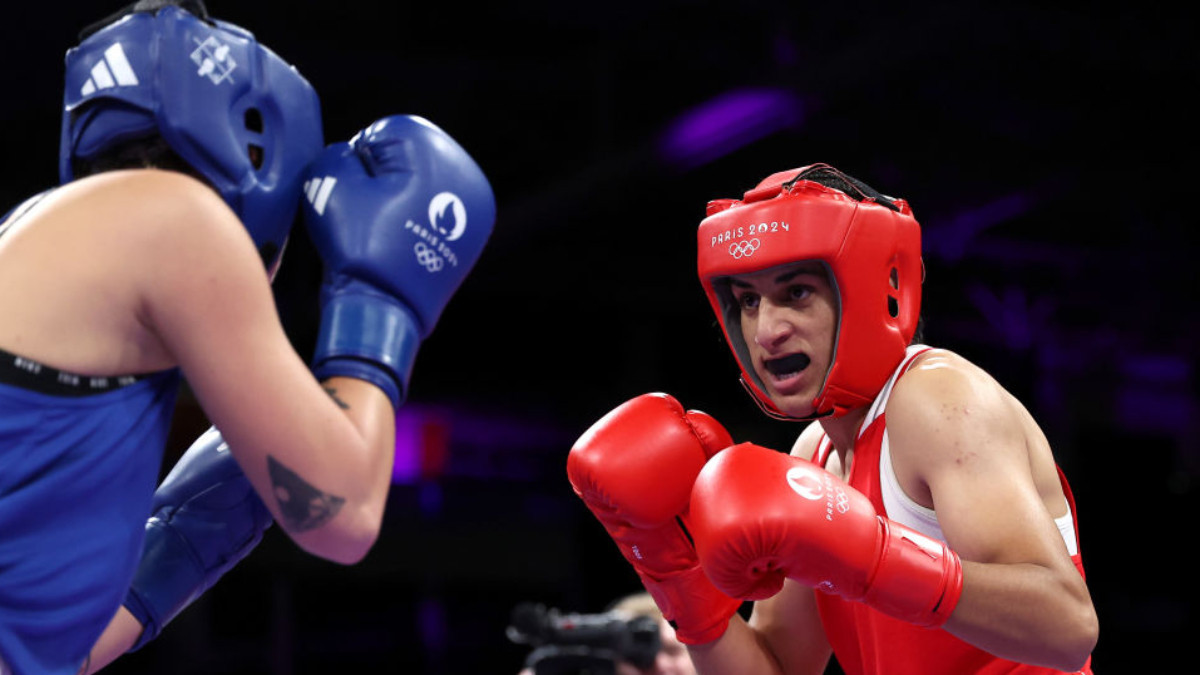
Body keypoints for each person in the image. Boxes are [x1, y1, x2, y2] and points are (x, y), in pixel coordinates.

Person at [0, 1, 495, 673]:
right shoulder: (178, 219)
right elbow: (343, 514)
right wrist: (382, 298)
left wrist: (178, 542)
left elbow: (57, 651)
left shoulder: (43, 248)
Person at [568, 164, 1097, 674]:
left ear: (869, 292)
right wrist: (673, 570)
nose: (766, 330)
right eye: (748, 301)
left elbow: (1067, 629)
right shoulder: (813, 455)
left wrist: (872, 558)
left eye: (796, 293)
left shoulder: (938, 398)